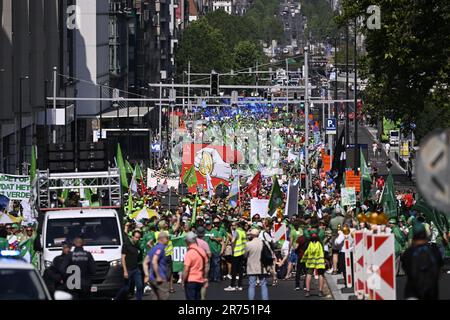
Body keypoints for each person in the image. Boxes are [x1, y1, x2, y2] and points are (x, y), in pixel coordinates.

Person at [401, 222, 443, 300]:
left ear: (413, 235)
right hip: (431, 292)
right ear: (425, 234)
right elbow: (439, 269)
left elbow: (406, 269)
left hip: (412, 292)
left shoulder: (409, 252)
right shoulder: (434, 250)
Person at [115, 230, 143, 300]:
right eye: (136, 237)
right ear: (132, 236)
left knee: (140, 286)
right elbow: (123, 258)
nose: (137, 239)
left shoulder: (137, 245)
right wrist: (125, 271)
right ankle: (117, 298)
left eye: (139, 238)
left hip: (136, 269)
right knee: (126, 288)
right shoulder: (126, 244)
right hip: (128, 269)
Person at [143, 231, 169, 300]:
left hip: (151, 278)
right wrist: (158, 276)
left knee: (155, 297)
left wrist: (147, 275)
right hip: (159, 278)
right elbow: (154, 261)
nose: (168, 240)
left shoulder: (153, 248)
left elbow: (145, 262)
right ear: (162, 239)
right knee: (164, 297)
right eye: (167, 238)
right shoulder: (161, 247)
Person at [182, 232, 208, 300]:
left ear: (188, 241)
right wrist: (205, 278)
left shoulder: (189, 253)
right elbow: (206, 267)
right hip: (200, 280)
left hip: (190, 281)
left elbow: (186, 269)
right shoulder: (202, 251)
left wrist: (183, 281)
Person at [245, 228, 268, 300]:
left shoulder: (248, 244)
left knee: (251, 285)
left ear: (251, 235)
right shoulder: (264, 243)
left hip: (252, 266)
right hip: (262, 266)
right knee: (263, 285)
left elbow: (245, 255)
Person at [224, 221, 247, 291]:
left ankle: (232, 286)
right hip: (242, 252)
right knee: (240, 270)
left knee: (234, 270)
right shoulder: (243, 232)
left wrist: (231, 244)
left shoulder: (236, 232)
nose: (232, 226)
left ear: (236, 225)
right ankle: (240, 286)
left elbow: (233, 241)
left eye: (233, 225)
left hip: (236, 253)